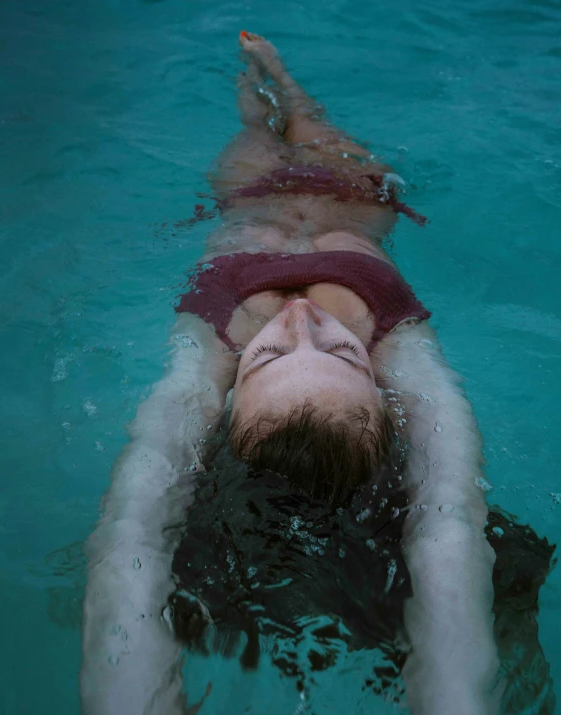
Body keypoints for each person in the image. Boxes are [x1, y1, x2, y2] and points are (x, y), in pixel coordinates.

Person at [81, 32, 554, 715]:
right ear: (382, 388)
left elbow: (136, 515)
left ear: (231, 391)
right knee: (309, 118)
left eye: (270, 356)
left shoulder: (207, 350)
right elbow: (448, 515)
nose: (301, 320)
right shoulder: (399, 343)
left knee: (254, 127)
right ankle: (282, 78)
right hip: (352, 197)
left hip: (253, 202)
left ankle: (259, 82)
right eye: (340, 353)